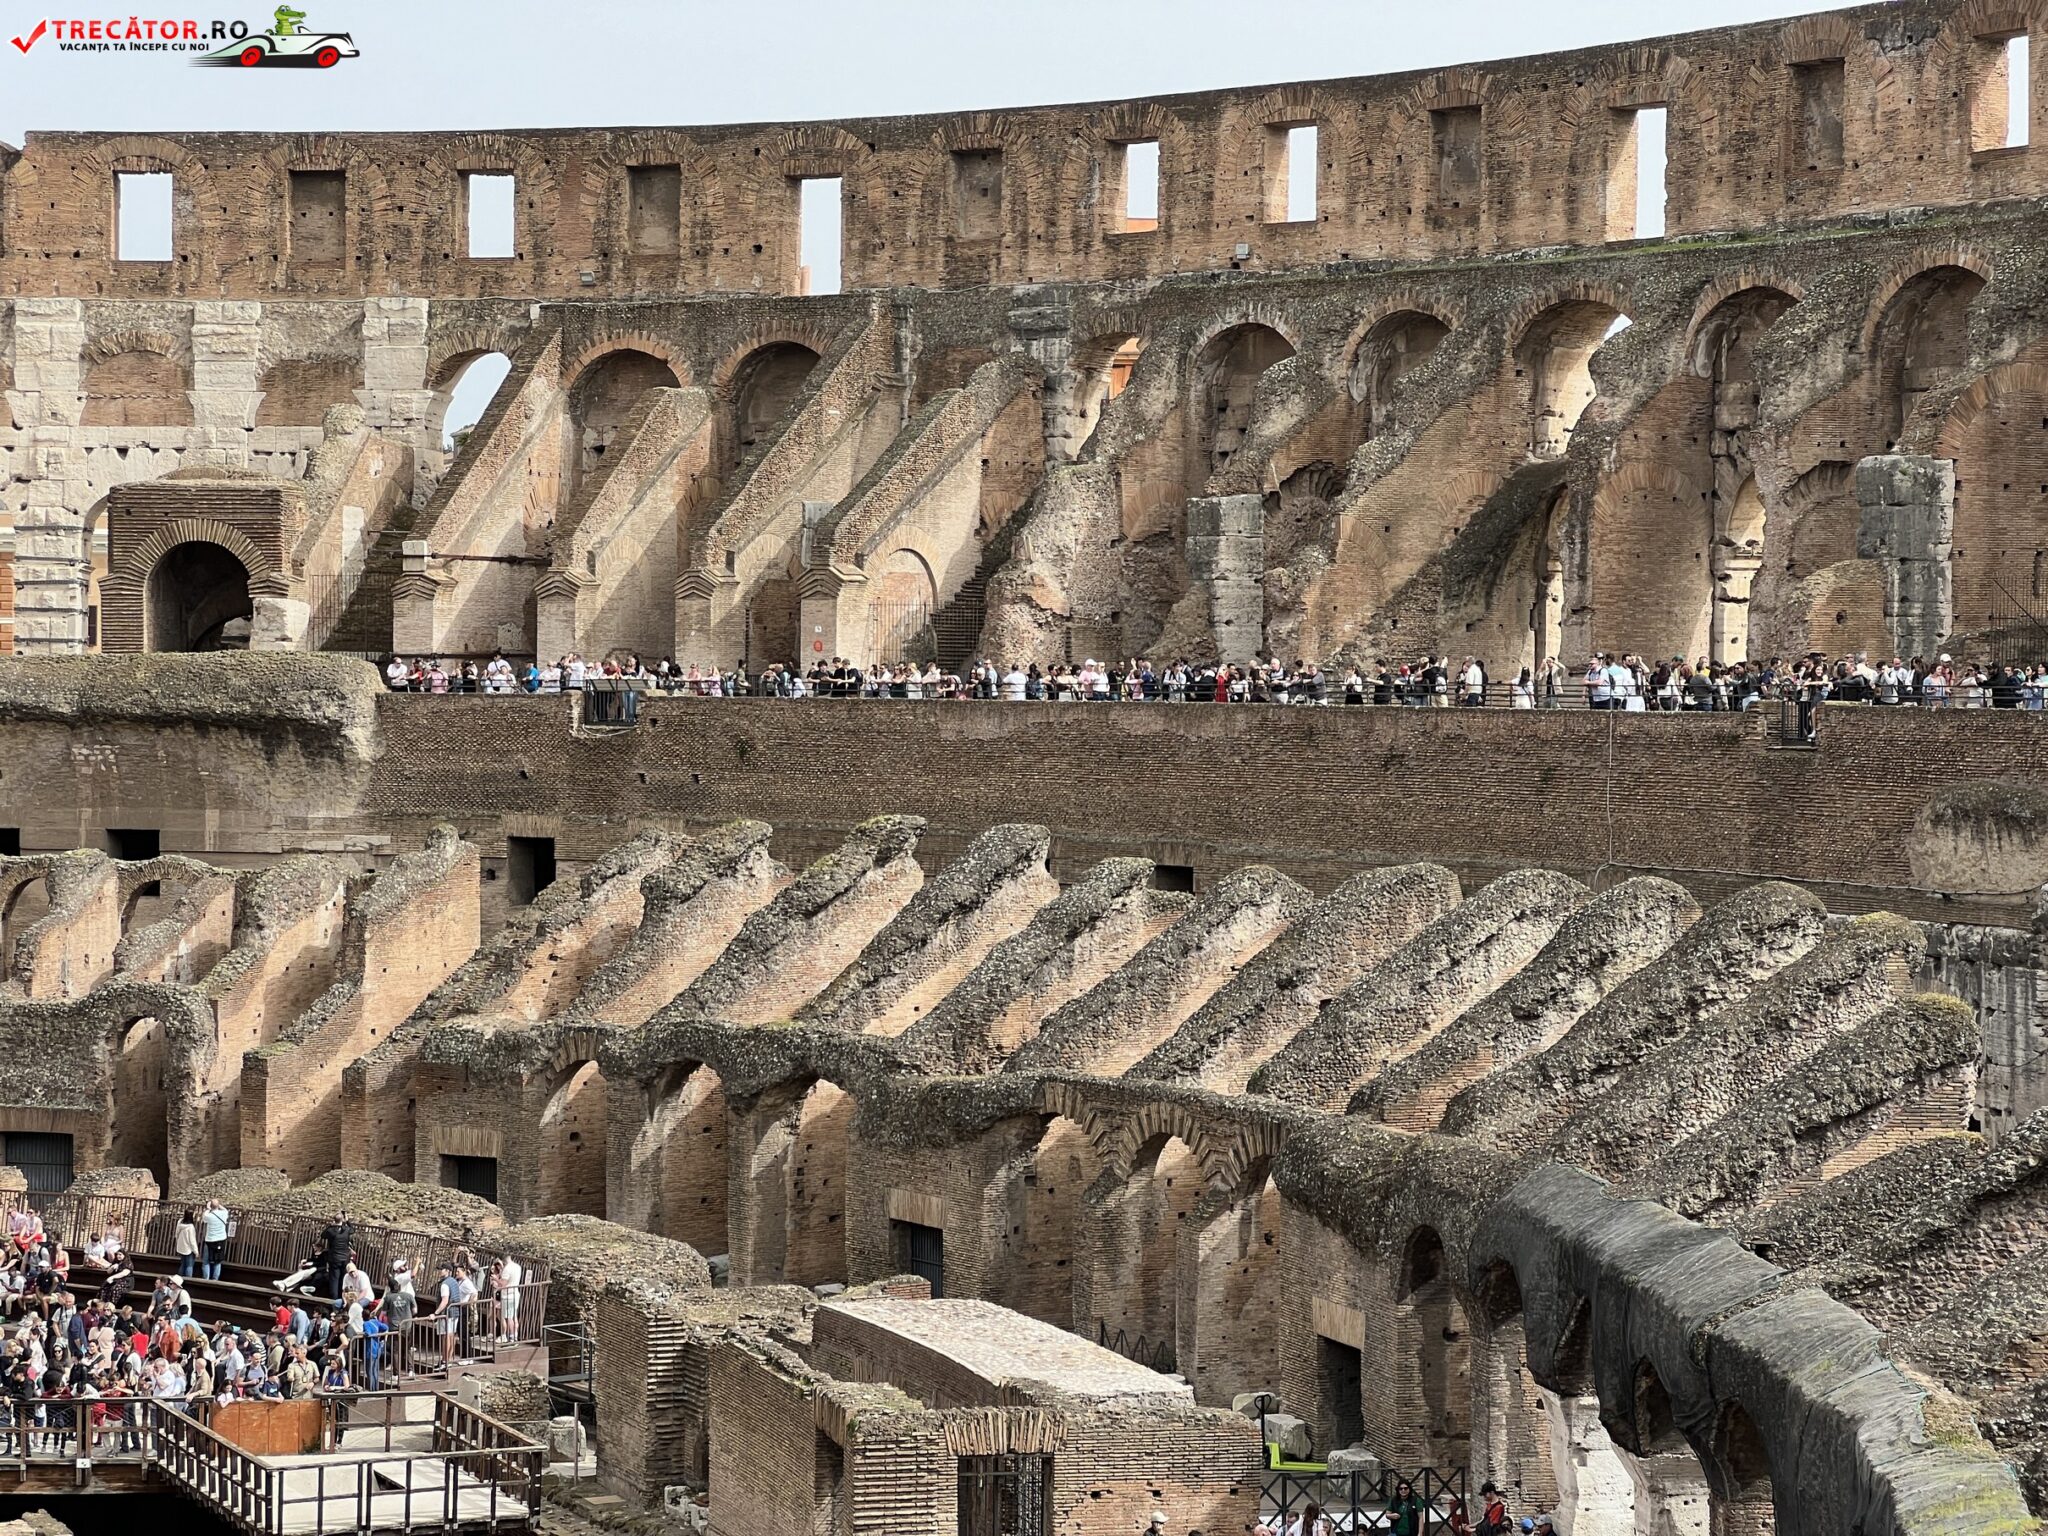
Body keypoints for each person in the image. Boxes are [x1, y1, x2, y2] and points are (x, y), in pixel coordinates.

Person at [198, 1200, 230, 1281]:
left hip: (210, 1240)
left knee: (206, 1261)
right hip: (221, 1239)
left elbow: (204, 1217)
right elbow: (225, 1209)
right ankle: (215, 1280)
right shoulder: (224, 1213)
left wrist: (208, 1208)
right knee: (218, 1261)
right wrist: (218, 1205)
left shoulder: (208, 1215)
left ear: (211, 1206)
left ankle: (206, 1279)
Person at [173, 1209, 199, 1279]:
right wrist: (196, 1251)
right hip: (188, 1249)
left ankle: (179, 1279)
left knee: (183, 1264)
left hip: (181, 1246)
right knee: (189, 1265)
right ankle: (188, 1279)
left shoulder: (180, 1222)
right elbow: (192, 1241)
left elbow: (176, 1234)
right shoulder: (190, 1227)